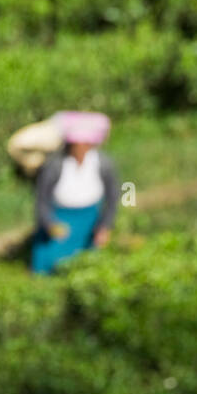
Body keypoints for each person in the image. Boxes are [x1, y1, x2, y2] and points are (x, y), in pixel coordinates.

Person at [30, 112, 119, 275]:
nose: (80, 148)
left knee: (87, 264)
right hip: (60, 219)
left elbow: (113, 196)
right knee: (50, 262)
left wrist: (105, 226)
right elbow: (42, 200)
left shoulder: (103, 164)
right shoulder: (54, 166)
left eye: (84, 143)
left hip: (89, 219)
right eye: (76, 144)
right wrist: (49, 224)